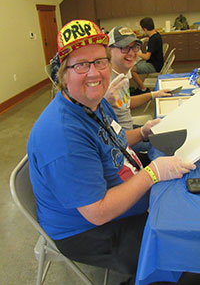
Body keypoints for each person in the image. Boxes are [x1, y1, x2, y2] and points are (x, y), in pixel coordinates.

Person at [27, 19, 196, 285]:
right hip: (88, 230)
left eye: (99, 61)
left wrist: (142, 133)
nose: (94, 73)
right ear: (63, 74)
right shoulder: (61, 135)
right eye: (81, 65)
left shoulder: (93, 101)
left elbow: (113, 140)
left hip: (118, 193)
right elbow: (98, 211)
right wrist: (152, 173)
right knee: (184, 257)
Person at [106, 25, 171, 151]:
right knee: (168, 150)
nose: (131, 53)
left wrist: (153, 95)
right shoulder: (106, 82)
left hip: (129, 128)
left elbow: (125, 102)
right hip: (123, 143)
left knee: (168, 130)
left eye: (134, 47)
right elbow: (113, 141)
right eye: (124, 48)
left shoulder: (124, 72)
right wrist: (141, 133)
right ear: (109, 50)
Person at [131, 17, 164, 95]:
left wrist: (136, 52)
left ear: (145, 29)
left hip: (154, 65)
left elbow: (147, 57)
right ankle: (140, 87)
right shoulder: (156, 35)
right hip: (158, 63)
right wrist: (146, 39)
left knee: (131, 69)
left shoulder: (153, 40)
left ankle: (143, 88)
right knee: (136, 65)